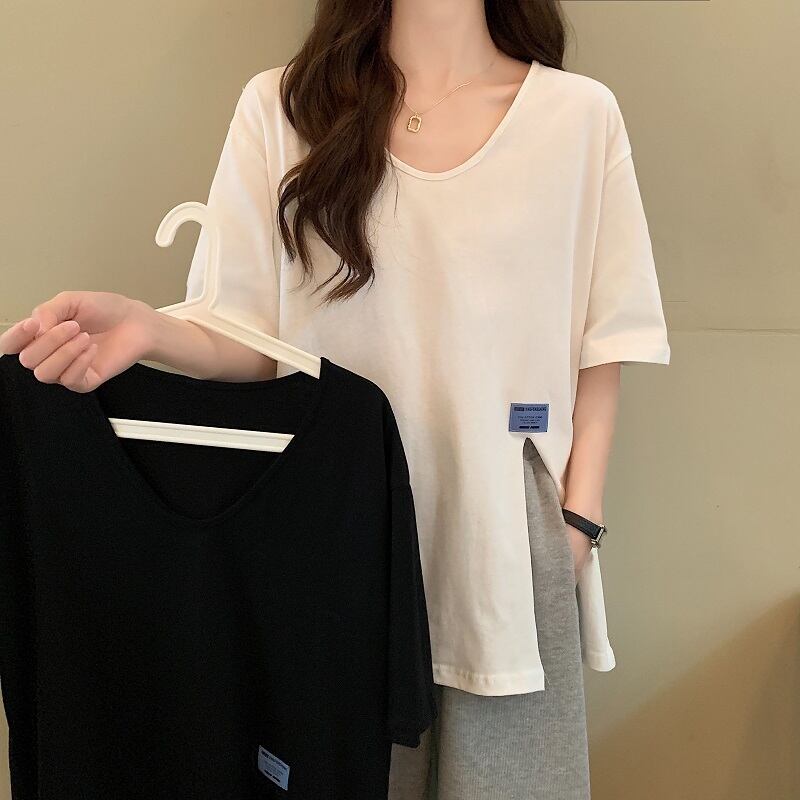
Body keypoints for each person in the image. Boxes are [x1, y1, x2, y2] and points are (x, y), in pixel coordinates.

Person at [0, 1, 670, 797]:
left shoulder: (578, 117)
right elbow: (254, 341)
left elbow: (604, 339)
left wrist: (577, 524)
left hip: (503, 545)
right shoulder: (283, 108)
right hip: (330, 536)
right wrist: (151, 330)